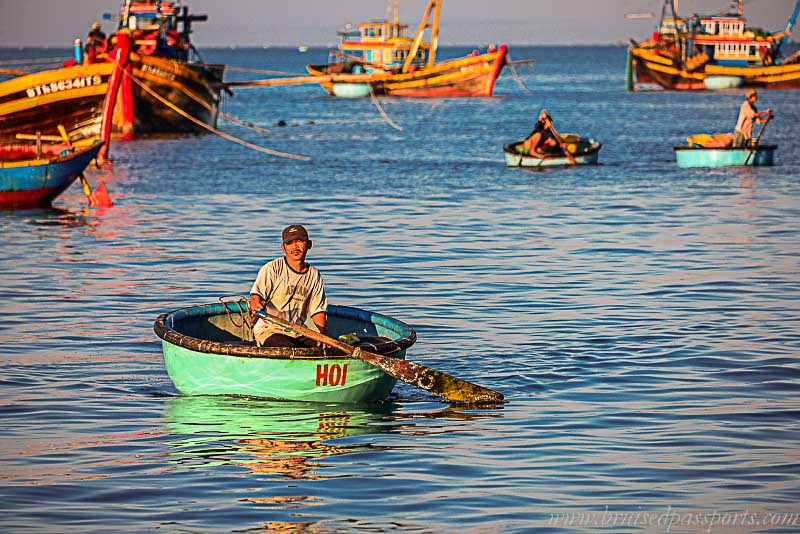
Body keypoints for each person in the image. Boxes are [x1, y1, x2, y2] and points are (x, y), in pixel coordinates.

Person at [249, 225, 327, 347]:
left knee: (326, 349)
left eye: (299, 241)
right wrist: (256, 305)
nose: (295, 247)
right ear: (283, 248)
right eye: (290, 243)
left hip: (297, 331)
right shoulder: (272, 268)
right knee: (288, 348)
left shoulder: (314, 275)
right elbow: (255, 297)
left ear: (309, 244)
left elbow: (318, 311)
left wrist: (322, 336)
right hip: (270, 330)